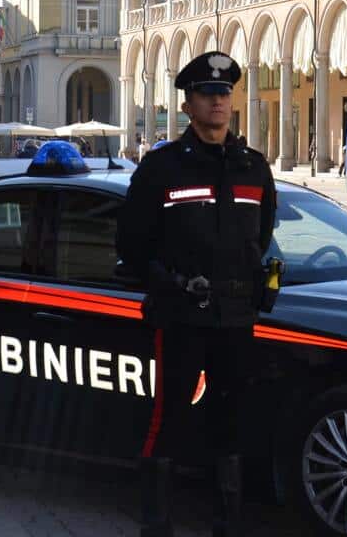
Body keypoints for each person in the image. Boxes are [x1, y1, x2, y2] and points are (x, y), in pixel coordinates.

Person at [116, 50, 277, 537]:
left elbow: (261, 234)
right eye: (208, 95)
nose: (218, 103)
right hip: (182, 317)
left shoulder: (253, 167)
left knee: (230, 424)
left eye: (225, 93)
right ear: (188, 105)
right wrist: (165, 279)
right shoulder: (163, 168)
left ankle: (226, 525)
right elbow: (131, 243)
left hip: (235, 319)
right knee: (169, 421)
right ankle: (156, 525)